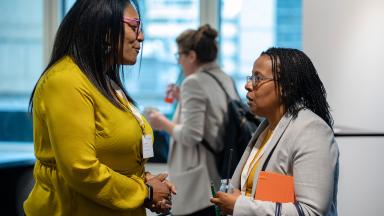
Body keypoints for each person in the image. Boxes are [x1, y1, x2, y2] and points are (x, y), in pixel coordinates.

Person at [23, 0, 176, 215]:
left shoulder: (104, 80)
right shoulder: (66, 81)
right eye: (134, 27)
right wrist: (145, 192)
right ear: (104, 28)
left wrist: (146, 181)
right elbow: (81, 169)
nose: (141, 36)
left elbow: (110, 154)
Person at [211, 47, 339, 215]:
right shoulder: (267, 127)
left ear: (286, 87)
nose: (248, 85)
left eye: (258, 78)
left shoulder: (311, 131)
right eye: (251, 77)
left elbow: (311, 211)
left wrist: (239, 206)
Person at [147, 24, 239, 215]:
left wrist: (161, 122)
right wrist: (183, 99)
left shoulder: (193, 82)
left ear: (192, 56)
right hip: (218, 173)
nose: (178, 61)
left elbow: (191, 135)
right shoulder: (224, 78)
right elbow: (212, 120)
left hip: (198, 184)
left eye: (179, 55)